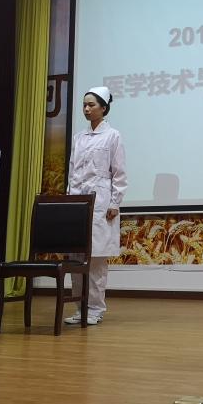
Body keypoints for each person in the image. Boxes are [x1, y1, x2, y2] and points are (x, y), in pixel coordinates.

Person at [63, 86, 127, 326]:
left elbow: (119, 173)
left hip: (101, 203)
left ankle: (95, 309)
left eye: (91, 105)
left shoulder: (113, 136)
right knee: (76, 257)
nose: (86, 109)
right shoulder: (79, 137)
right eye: (84, 105)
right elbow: (72, 171)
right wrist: (69, 201)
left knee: (96, 260)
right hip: (77, 203)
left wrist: (115, 203)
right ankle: (79, 308)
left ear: (104, 108)